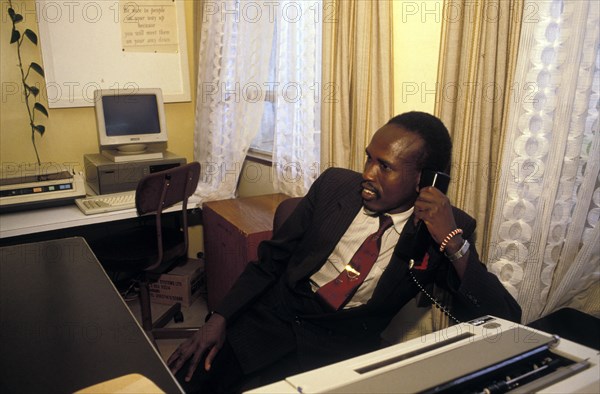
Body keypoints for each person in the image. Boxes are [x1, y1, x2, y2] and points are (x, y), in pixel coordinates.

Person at [168, 112, 522, 393]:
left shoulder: (444, 227)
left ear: (425, 180)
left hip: (337, 350)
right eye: (369, 158)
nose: (367, 174)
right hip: (270, 319)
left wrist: (453, 242)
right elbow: (269, 262)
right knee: (185, 377)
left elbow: (505, 318)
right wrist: (218, 319)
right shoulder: (335, 185)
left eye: (385, 166)